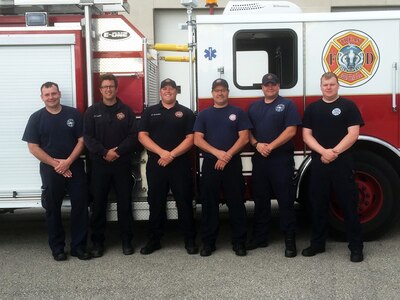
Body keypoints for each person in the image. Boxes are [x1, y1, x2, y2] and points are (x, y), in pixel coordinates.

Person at [22, 82, 91, 261]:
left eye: (54, 93)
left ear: (59, 94)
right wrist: (56, 165)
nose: (51, 97)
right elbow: (33, 147)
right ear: (42, 97)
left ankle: (79, 247)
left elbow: (82, 141)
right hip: (50, 169)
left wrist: (67, 162)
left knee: (80, 207)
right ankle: (58, 248)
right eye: (47, 95)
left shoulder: (74, 114)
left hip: (74, 166)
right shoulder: (36, 118)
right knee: (53, 209)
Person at [302, 72, 364, 263]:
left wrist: (334, 152)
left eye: (331, 84)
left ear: (338, 86)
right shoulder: (312, 109)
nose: (328, 87)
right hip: (320, 164)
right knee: (318, 205)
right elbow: (306, 136)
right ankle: (318, 244)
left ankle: (356, 248)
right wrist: (323, 152)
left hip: (342, 163)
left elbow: (353, 134)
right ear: (320, 87)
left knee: (348, 205)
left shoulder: (348, 106)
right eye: (325, 85)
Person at [138, 78, 198, 255]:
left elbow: (191, 138)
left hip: (179, 164)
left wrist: (171, 155)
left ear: (176, 91)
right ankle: (154, 240)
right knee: (155, 202)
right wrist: (162, 153)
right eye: (164, 88)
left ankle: (190, 240)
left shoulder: (186, 113)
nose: (168, 91)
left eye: (171, 88)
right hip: (157, 164)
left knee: (184, 202)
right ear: (160, 92)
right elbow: (142, 136)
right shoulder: (149, 112)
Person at [194, 78, 251, 257]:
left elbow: (244, 138)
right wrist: (218, 153)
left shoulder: (238, 112)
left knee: (236, 203)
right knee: (209, 204)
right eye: (217, 90)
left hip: (232, 163)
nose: (220, 93)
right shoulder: (204, 114)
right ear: (212, 93)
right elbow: (197, 139)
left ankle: (239, 242)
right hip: (211, 163)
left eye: (223, 90)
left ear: (227, 92)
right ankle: (208, 243)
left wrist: (226, 155)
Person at [83, 73, 138, 257]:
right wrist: (104, 152)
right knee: (98, 205)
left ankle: (127, 241)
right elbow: (88, 138)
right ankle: (97, 243)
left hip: (121, 164)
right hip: (99, 165)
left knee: (124, 204)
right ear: (100, 90)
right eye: (105, 86)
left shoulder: (126, 111)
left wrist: (118, 151)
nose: (108, 89)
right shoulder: (92, 112)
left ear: (116, 88)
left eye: (111, 86)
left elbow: (133, 136)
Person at [247, 73, 301, 257]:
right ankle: (260, 237)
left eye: (273, 84)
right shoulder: (254, 107)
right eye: (266, 84)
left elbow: (291, 130)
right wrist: (256, 144)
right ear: (262, 87)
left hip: (281, 159)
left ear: (278, 86)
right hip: (260, 159)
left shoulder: (287, 105)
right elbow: (247, 132)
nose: (270, 87)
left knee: (285, 200)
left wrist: (270, 146)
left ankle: (289, 239)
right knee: (260, 199)